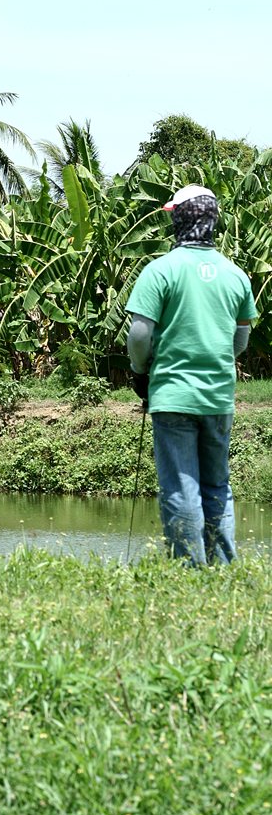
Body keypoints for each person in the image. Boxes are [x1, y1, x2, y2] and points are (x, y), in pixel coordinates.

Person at [125, 185, 257, 566]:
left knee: (181, 484)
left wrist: (140, 370)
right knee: (217, 484)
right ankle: (223, 565)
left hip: (172, 395)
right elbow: (241, 339)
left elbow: (139, 334)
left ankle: (188, 568)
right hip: (219, 397)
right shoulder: (236, 275)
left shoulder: (161, 270)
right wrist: (217, 360)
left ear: (179, 220)